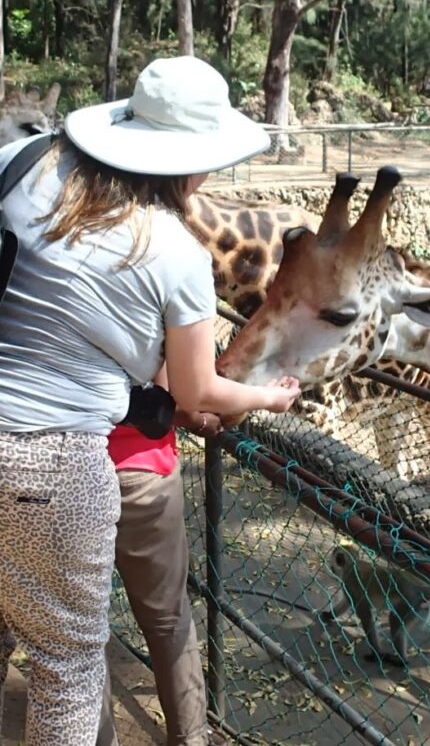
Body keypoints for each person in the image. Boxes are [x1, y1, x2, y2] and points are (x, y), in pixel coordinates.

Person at [0, 56, 301, 746]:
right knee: (66, 668)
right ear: (195, 162)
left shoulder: (23, 166)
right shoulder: (174, 250)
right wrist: (265, 396)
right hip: (54, 464)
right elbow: (196, 391)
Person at [95, 402, 226, 746]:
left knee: (81, 628)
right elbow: (183, 397)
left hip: (64, 467)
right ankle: (192, 739)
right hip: (143, 468)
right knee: (168, 617)